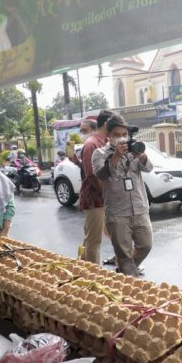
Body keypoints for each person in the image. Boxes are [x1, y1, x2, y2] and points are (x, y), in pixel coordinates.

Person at [92, 115, 154, 277]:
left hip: (140, 208)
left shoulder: (132, 150)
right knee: (124, 255)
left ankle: (124, 274)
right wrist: (116, 156)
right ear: (109, 135)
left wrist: (141, 155)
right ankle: (132, 287)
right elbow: (102, 175)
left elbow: (148, 168)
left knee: (145, 245)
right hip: (118, 213)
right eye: (117, 134)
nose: (121, 137)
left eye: (124, 134)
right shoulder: (99, 154)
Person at [76, 111, 112, 264]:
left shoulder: (106, 142)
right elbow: (91, 176)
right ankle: (93, 274)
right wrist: (106, 193)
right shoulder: (92, 144)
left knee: (96, 235)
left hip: (103, 198)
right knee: (94, 240)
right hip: (95, 199)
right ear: (106, 124)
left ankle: (81, 265)